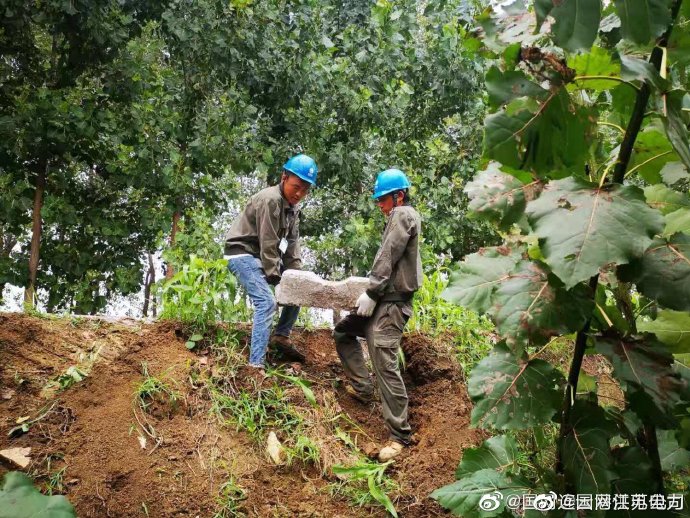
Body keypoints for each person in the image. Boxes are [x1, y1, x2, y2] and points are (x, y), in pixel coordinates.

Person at [333, 168, 422, 462]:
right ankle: (363, 388)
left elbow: (389, 254)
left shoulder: (403, 214)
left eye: (383, 199)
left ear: (399, 196)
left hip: (391, 306)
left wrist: (372, 292)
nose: (380, 205)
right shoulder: (399, 215)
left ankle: (400, 436)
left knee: (385, 365)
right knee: (344, 331)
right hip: (383, 302)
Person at [224, 154, 317, 376]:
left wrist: (296, 279)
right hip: (243, 255)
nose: (299, 193)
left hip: (264, 257)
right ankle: (255, 366)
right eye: (296, 187)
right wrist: (275, 278)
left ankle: (281, 336)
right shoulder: (271, 200)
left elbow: (291, 248)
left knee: (298, 286)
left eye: (305, 190)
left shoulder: (293, 209)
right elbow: (268, 243)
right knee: (266, 303)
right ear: (284, 177)